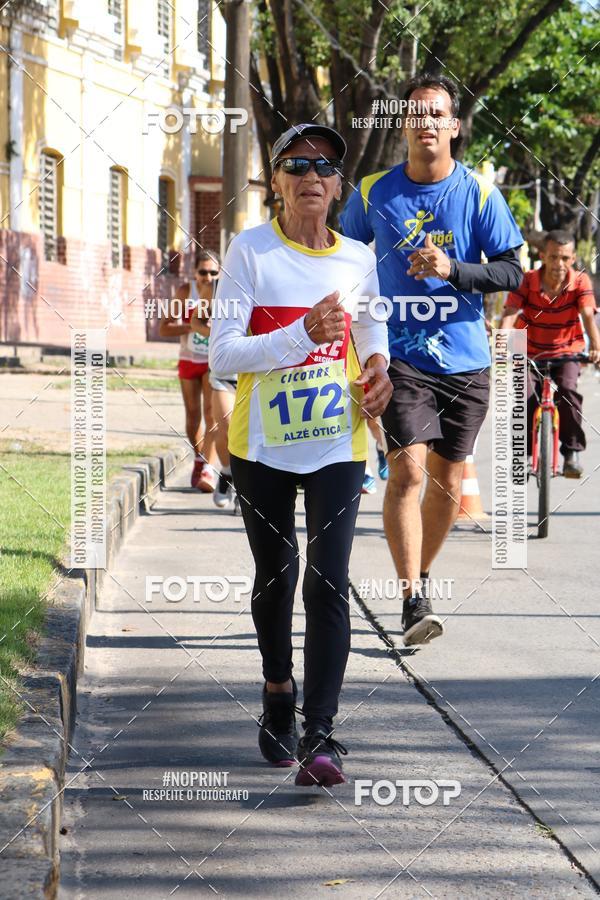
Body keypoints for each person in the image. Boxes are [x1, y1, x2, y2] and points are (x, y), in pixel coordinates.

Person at [209, 123, 392, 787]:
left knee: (328, 579)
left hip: (337, 442)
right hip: (261, 444)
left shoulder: (359, 258)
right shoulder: (250, 251)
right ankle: (278, 690)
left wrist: (379, 370)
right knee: (277, 575)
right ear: (277, 183)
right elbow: (222, 355)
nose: (312, 176)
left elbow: (370, 329)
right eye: (297, 165)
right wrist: (299, 334)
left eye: (325, 167)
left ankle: (321, 733)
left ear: (339, 187)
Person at [340, 73, 523, 646]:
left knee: (446, 483)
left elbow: (512, 271)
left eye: (437, 114)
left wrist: (454, 270)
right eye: (417, 113)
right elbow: (339, 256)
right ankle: (412, 600)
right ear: (403, 124)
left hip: (466, 358)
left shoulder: (480, 193)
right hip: (400, 355)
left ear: (454, 126)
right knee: (408, 472)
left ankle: (419, 575)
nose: (427, 123)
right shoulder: (373, 191)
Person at [500, 230, 600, 477]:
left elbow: (588, 316)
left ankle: (571, 453)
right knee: (525, 398)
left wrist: (596, 347)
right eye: (554, 257)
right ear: (543, 256)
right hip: (528, 352)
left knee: (568, 392)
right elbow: (510, 314)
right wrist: (502, 345)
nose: (559, 264)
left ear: (573, 258)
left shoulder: (580, 281)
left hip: (567, 352)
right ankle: (522, 456)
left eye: (565, 258)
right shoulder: (526, 281)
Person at [159, 252, 220, 491]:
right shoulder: (186, 292)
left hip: (212, 362)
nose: (208, 277)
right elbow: (164, 328)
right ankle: (199, 457)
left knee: (211, 413)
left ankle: (208, 469)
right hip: (188, 359)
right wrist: (193, 327)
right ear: (195, 272)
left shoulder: (223, 293)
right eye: (203, 272)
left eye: (213, 272)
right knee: (193, 415)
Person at [190, 284, 238, 509]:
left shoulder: (268, 277)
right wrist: (217, 333)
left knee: (254, 433)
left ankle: (247, 487)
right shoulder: (217, 286)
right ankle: (227, 473)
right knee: (224, 424)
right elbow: (196, 321)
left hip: (259, 372)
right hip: (225, 372)